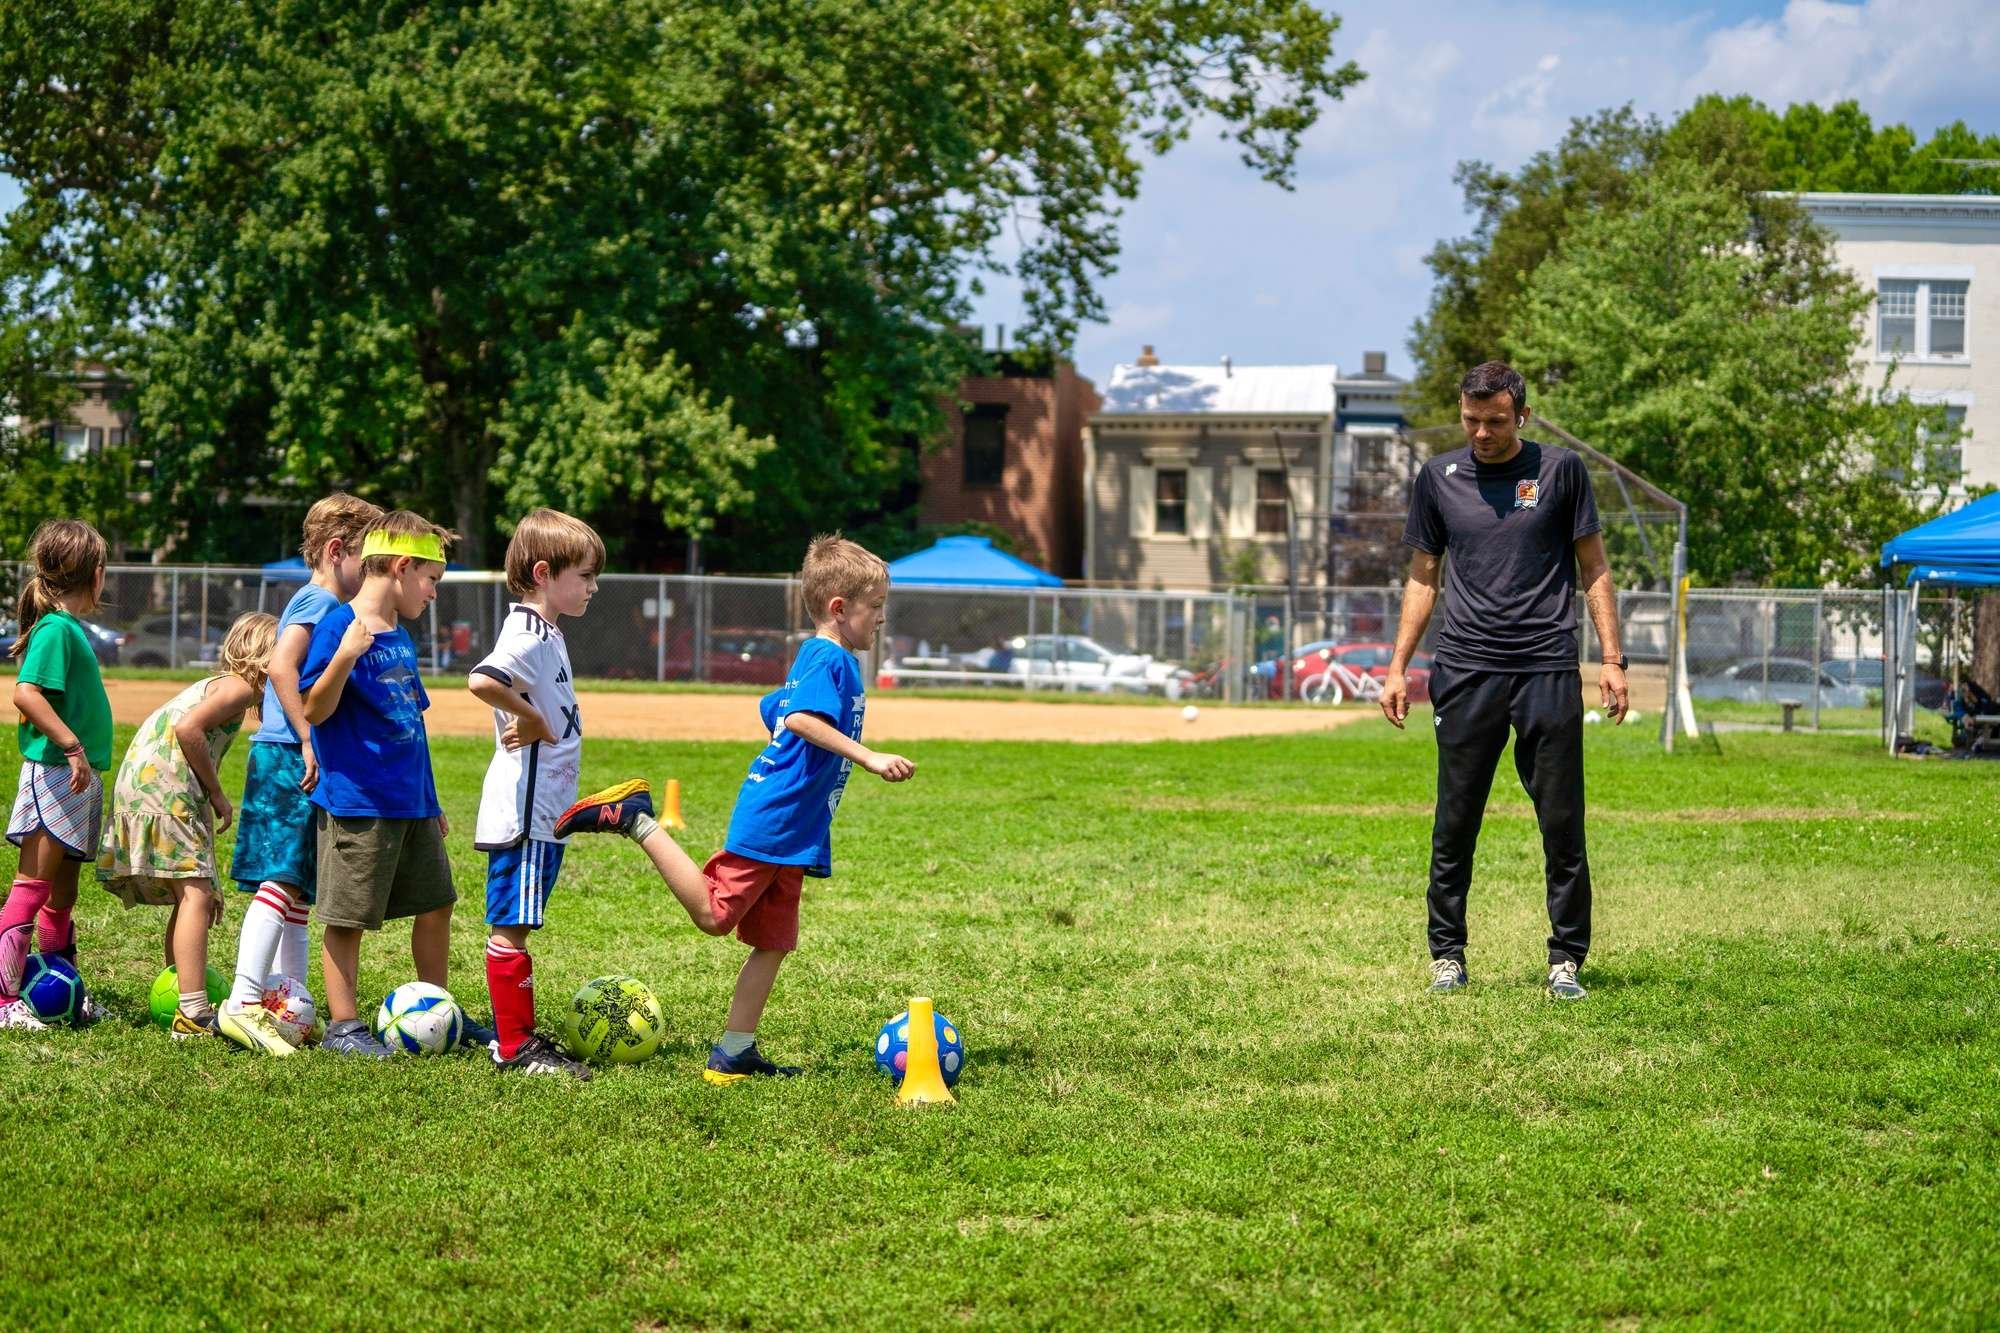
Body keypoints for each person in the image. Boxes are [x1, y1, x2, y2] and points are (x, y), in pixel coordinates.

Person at [558, 534, 916, 1081]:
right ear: (839, 609)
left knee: (773, 942)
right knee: (715, 916)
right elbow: (796, 718)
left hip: (797, 829)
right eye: (876, 608)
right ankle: (635, 817)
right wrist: (866, 756)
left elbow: (774, 708)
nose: (882, 620)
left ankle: (735, 1051)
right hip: (775, 818)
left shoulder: (825, 657)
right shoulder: (829, 657)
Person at [1379, 361, 1627, 1002]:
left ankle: (1566, 959)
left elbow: (1593, 566)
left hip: (1545, 666)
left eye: (1494, 421)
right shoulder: (1438, 478)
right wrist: (1398, 667)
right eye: (1470, 420)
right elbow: (1422, 577)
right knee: (1454, 822)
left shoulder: (1561, 472)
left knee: (1562, 822)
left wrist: (1612, 658)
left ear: (1521, 415)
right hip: (1465, 669)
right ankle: (1447, 957)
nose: (1481, 433)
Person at [300, 509, 484, 1058]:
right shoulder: (340, 626)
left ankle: (439, 1005)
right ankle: (344, 1027)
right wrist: (344, 657)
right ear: (401, 567)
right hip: (359, 803)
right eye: (431, 580)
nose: (432, 593)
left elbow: (414, 723)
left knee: (437, 904)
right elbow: (314, 708)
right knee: (348, 917)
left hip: (411, 803)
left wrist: (432, 801)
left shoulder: (400, 634)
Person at [220, 492, 381, 1054]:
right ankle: (242, 1000)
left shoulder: (327, 605)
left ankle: (288, 995)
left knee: (300, 887)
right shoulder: (316, 603)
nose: (375, 571)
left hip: (301, 755)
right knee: (284, 877)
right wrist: (308, 737)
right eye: (368, 557)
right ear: (337, 551)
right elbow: (281, 665)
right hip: (291, 754)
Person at [464, 509, 605, 1079]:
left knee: (519, 922)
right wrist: (532, 719)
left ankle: (516, 1038)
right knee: (511, 925)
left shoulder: (548, 632)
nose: (593, 588)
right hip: (525, 814)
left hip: (546, 811)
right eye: (585, 576)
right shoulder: (525, 630)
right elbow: (482, 680)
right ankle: (515, 1047)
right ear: (544, 572)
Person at [98, 614, 279, 1039]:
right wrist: (216, 793)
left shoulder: (224, 685)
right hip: (165, 792)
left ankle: (180, 990)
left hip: (148, 791)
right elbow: (188, 728)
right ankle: (193, 1012)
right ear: (264, 654)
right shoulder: (239, 686)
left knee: (189, 895)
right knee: (195, 892)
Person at [1, 520, 113, 1030]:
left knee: (63, 892)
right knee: (34, 884)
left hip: (75, 782)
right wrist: (71, 747)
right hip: (55, 776)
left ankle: (59, 983)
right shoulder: (55, 628)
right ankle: (4, 1000)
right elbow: (26, 694)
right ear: (94, 574)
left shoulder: (67, 629)